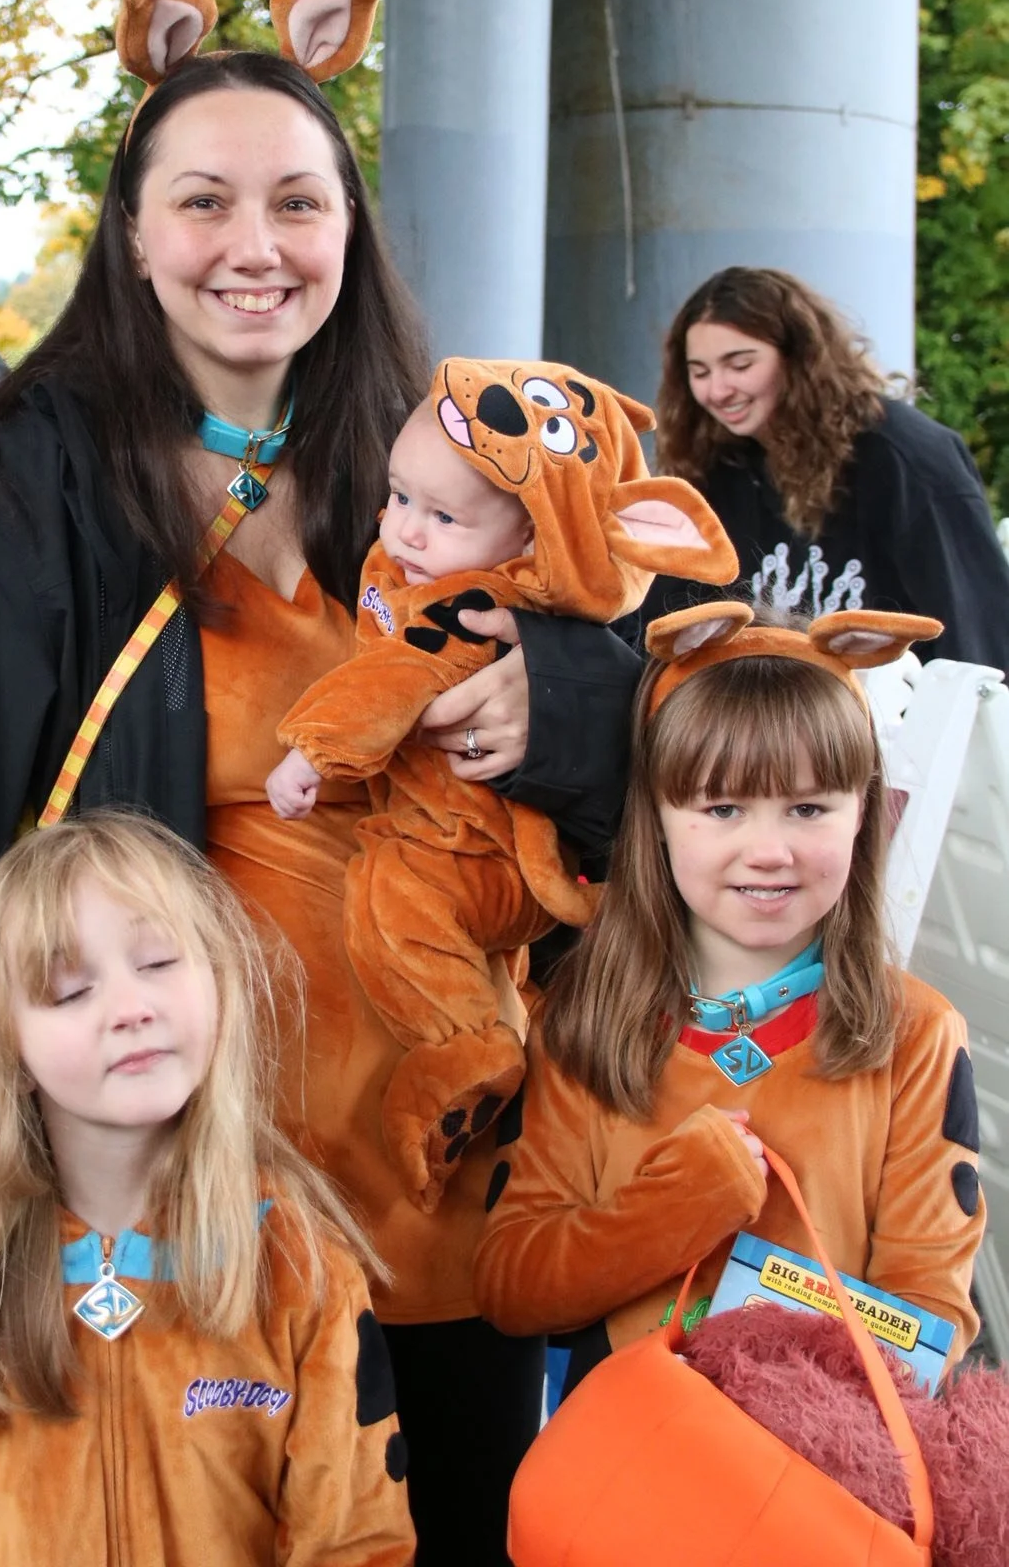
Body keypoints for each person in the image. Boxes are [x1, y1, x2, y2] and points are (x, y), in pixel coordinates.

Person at [0, 0, 641, 1565]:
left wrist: (566, 695)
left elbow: (645, 692)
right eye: (204, 203)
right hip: (176, 1241)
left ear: (349, 229)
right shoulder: (12, 498)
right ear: (133, 232)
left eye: (299, 205)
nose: (255, 248)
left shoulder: (450, 462)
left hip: (445, 1219)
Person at [0, 811, 415, 1566]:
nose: (132, 1008)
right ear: (2, 1043)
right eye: (70, 989)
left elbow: (352, 1541)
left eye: (159, 963)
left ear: (219, 980)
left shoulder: (301, 1262)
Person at [474, 599, 987, 1404]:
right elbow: (511, 1284)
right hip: (618, 1474)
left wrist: (763, 1358)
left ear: (868, 814)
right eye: (722, 809)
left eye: (810, 807)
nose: (770, 850)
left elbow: (932, 1319)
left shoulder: (917, 1035)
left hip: (819, 1488)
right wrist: (675, 1210)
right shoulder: (582, 1021)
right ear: (658, 820)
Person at [268, 357, 735, 1210]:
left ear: (531, 541)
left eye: (442, 516)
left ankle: (466, 1049)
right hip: (496, 866)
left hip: (454, 844)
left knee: (394, 906)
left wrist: (311, 753)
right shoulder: (420, 562)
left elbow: (385, 687)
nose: (404, 531)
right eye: (398, 498)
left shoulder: (463, 607)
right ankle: (492, 1021)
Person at [649, 265, 1009, 669]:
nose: (717, 390)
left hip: (895, 719)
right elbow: (655, 626)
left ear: (799, 357)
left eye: (740, 365)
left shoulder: (908, 457)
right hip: (759, 719)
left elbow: (978, 634)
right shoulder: (713, 466)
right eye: (700, 372)